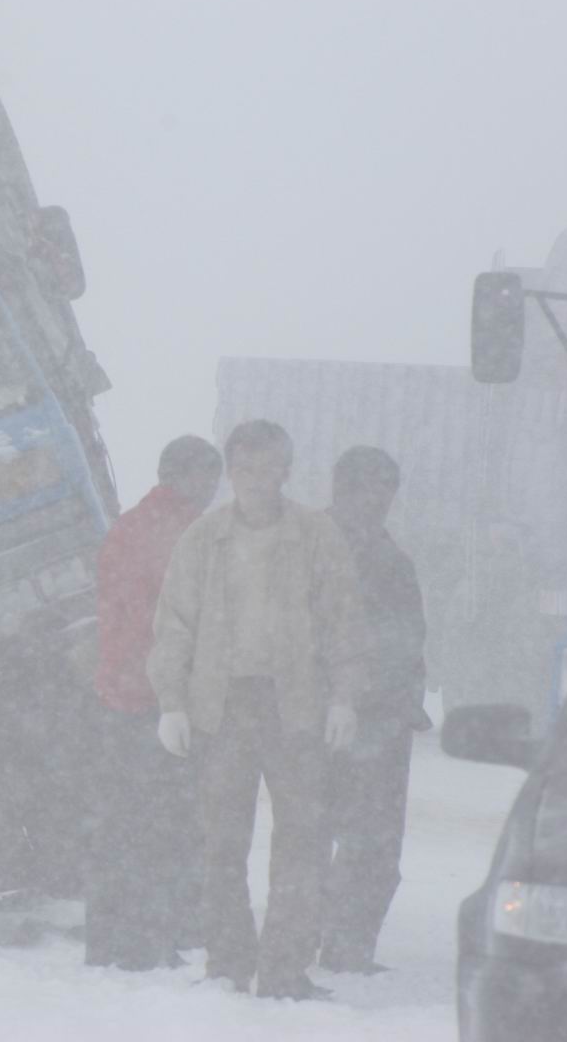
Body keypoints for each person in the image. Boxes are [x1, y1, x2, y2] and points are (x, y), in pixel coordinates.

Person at [147, 420, 367, 1001]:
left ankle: (284, 969)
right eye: (244, 469)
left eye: (269, 468)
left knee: (301, 839)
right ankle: (227, 960)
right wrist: (171, 702)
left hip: (295, 707)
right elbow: (174, 624)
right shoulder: (202, 539)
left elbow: (343, 622)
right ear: (230, 472)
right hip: (221, 708)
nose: (256, 480)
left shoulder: (317, 537)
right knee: (221, 840)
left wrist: (344, 696)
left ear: (286, 470)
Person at [85, 436, 222, 970]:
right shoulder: (188, 533)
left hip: (118, 692)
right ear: (188, 477)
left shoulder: (127, 527)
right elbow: (186, 622)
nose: (214, 491)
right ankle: (150, 938)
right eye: (209, 479)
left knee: (122, 825)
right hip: (162, 700)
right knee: (165, 825)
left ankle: (110, 939)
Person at [320, 446, 428, 974]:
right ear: (343, 488)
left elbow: (406, 641)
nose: (381, 501)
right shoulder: (314, 547)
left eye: (388, 490)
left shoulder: (387, 554)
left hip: (382, 718)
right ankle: (335, 945)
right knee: (345, 841)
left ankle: (345, 945)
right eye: (372, 488)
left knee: (369, 846)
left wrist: (408, 698)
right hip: (340, 715)